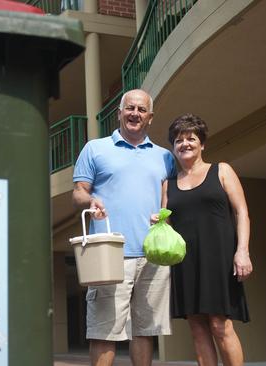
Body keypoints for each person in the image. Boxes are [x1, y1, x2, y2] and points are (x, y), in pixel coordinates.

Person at [72, 89, 175, 366]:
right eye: (129, 108)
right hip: (109, 252)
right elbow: (78, 192)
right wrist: (91, 200)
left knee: (144, 332)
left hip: (153, 254)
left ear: (150, 117)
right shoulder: (95, 148)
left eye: (141, 110)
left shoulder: (164, 157)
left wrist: (164, 218)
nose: (134, 114)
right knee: (104, 332)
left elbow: (167, 199)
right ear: (118, 113)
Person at [162, 113, 252, 366]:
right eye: (178, 140)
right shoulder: (168, 185)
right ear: (173, 148)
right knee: (197, 328)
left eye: (191, 138)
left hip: (218, 258)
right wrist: (157, 223)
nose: (185, 144)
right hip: (185, 263)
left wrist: (242, 251)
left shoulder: (222, 170)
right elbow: (166, 224)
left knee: (220, 325)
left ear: (202, 144)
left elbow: (242, 212)